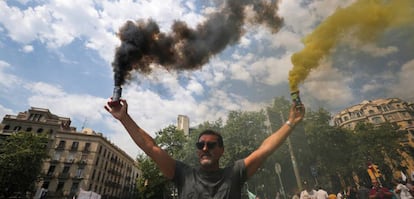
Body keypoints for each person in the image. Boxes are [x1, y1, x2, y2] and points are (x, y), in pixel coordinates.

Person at [105, 98, 305, 198]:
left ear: (221, 150)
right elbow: (151, 147)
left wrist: (291, 123)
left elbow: (264, 150)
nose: (205, 148)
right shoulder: (183, 174)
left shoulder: (234, 173)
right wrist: (125, 118)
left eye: (211, 144)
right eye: (201, 144)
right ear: (197, 150)